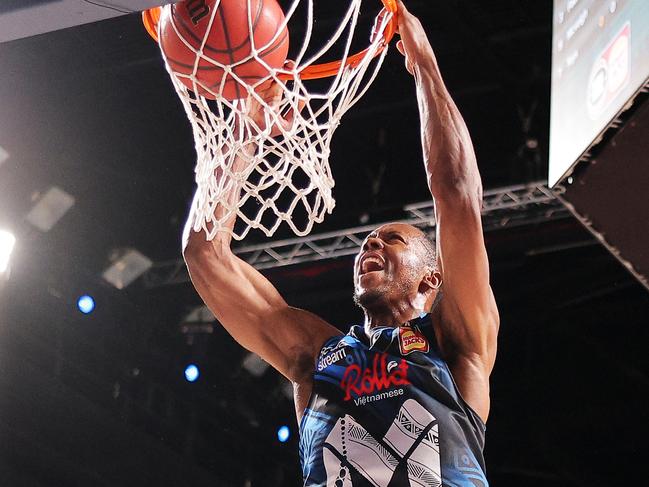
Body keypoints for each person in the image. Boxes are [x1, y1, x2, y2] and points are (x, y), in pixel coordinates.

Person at [182, 1, 499, 485]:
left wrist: (424, 65)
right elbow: (204, 253)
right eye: (368, 240)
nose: (370, 245)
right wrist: (246, 124)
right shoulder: (316, 355)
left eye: (391, 239)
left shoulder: (455, 343)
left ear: (430, 277)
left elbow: (457, 194)